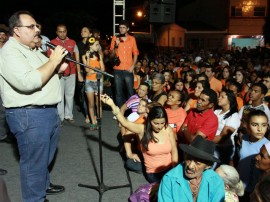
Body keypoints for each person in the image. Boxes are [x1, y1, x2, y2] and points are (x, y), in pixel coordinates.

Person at [0, 11, 67, 202]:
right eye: (31, 27)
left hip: (47, 112)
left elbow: (45, 74)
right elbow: (29, 82)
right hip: (29, 115)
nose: (37, 29)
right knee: (33, 165)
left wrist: (57, 70)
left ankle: (42, 187)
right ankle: (35, 199)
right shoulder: (9, 52)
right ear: (17, 31)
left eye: (37, 26)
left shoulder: (33, 49)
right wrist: (54, 61)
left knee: (43, 158)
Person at [101, 94, 178, 183]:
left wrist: (175, 169)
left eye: (162, 123)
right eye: (156, 123)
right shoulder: (142, 129)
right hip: (154, 173)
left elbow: (174, 149)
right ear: (149, 120)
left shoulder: (167, 128)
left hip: (169, 168)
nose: (159, 126)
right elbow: (125, 123)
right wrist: (112, 105)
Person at [158, 135, 225, 202]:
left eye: (197, 163)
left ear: (208, 166)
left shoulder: (216, 181)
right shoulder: (169, 179)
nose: (190, 166)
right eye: (188, 159)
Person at [50, 24, 83, 124]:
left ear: (66, 31)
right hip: (58, 74)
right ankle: (60, 117)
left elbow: (77, 58)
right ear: (56, 32)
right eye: (60, 31)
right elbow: (50, 59)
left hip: (71, 73)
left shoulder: (72, 42)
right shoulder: (52, 42)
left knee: (70, 95)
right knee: (59, 96)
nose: (62, 33)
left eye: (64, 31)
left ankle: (69, 115)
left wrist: (79, 73)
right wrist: (56, 71)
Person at [237, 110, 270, 201]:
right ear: (247, 126)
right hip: (239, 187)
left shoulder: (267, 148)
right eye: (255, 125)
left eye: (264, 125)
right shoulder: (243, 139)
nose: (260, 129)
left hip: (255, 193)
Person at [110, 20, 139, 107]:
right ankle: (119, 113)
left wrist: (133, 66)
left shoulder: (132, 39)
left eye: (123, 28)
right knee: (118, 92)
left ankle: (131, 113)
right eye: (120, 27)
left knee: (130, 92)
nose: (121, 29)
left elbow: (136, 53)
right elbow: (111, 55)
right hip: (117, 70)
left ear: (127, 29)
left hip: (128, 69)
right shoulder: (115, 38)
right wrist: (116, 46)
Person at [82, 37, 105, 130]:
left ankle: (99, 121)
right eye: (96, 45)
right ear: (90, 45)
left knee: (98, 103)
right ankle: (93, 123)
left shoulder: (99, 56)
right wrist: (88, 58)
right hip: (89, 82)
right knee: (90, 104)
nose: (98, 46)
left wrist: (100, 59)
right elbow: (87, 70)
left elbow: (103, 70)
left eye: (98, 44)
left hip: (99, 82)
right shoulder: (84, 56)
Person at [213, 89, 240, 166]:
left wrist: (204, 139)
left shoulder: (234, 116)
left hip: (223, 149)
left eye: (222, 97)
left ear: (229, 100)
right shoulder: (216, 111)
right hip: (212, 145)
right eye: (219, 96)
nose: (219, 98)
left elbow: (222, 138)